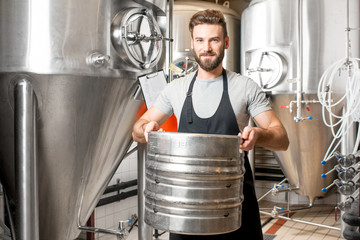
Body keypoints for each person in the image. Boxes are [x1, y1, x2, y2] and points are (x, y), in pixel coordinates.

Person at [132, 9, 289, 240]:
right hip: (186, 207)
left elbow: (281, 138)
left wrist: (258, 135)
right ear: (193, 44)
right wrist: (144, 128)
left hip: (234, 203)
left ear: (225, 43)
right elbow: (139, 127)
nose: (206, 48)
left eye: (214, 40)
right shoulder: (175, 89)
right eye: (200, 40)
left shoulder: (245, 87)